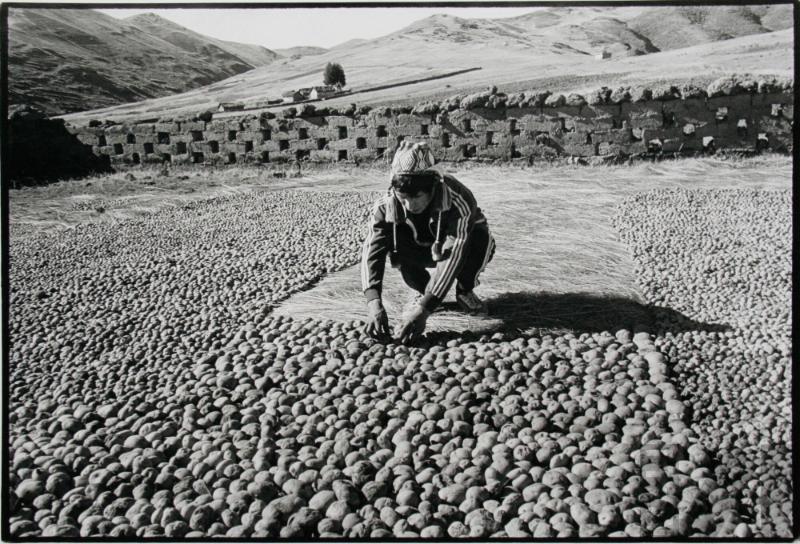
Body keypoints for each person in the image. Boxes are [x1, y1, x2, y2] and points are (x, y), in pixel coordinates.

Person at [361, 141, 496, 343]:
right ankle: (423, 291)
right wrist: (373, 302)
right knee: (393, 243)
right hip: (418, 247)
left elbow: (455, 252)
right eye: (403, 197)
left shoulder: (459, 198)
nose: (410, 204)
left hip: (456, 244)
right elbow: (372, 251)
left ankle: (464, 290)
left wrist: (424, 310)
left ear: (432, 188)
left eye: (417, 196)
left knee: (480, 240)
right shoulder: (385, 206)